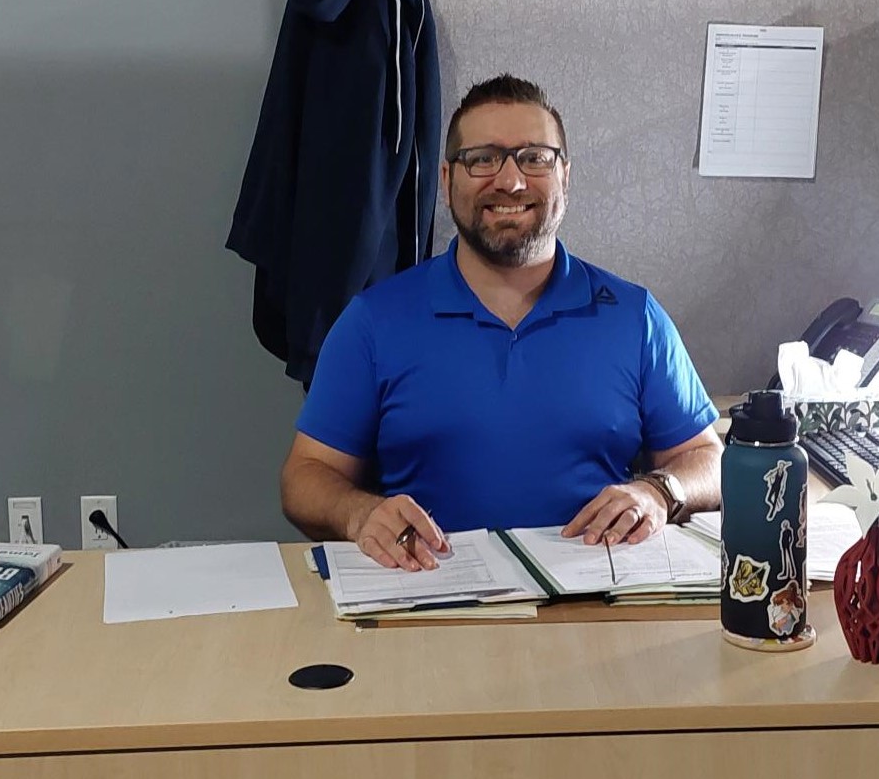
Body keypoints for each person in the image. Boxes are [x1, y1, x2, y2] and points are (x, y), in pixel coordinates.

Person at [279, 75, 721, 570]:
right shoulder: (373, 322)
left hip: (596, 595)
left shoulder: (634, 317)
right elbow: (304, 478)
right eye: (483, 159)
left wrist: (660, 492)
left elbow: (711, 459)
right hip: (429, 594)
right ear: (446, 181)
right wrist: (359, 514)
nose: (510, 181)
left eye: (535, 158)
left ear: (565, 177)